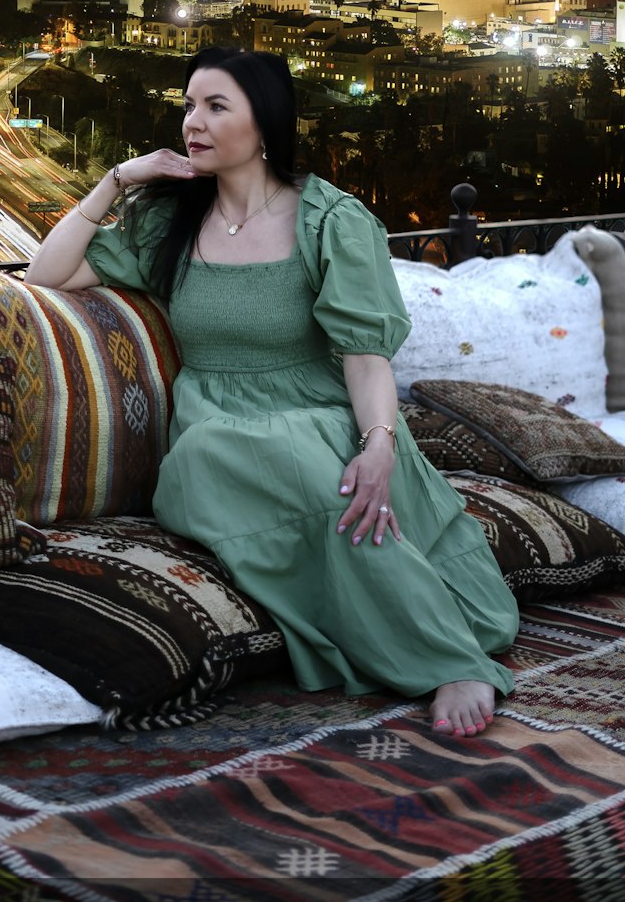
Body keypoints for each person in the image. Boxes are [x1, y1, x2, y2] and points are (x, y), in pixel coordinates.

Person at [25, 46, 519, 737]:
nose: (192, 122)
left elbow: (365, 357)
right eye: (189, 104)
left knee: (341, 497)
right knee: (225, 461)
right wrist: (115, 180)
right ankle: (423, 647)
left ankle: (454, 660)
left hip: (325, 418)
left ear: (266, 123)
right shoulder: (167, 222)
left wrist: (379, 445)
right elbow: (45, 275)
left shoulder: (331, 220)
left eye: (215, 106)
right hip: (215, 434)